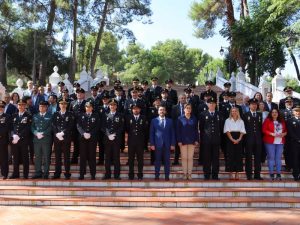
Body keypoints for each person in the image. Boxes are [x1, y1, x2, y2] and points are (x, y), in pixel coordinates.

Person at [199, 97, 222, 180]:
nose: (212, 105)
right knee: (207, 158)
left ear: (215, 104)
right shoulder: (203, 114)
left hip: (216, 139)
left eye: (213, 103)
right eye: (210, 103)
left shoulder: (219, 114)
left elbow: (221, 127)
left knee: (216, 158)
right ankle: (207, 174)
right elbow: (201, 128)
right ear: (207, 104)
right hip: (206, 140)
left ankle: (215, 175)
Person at [150, 105, 176, 181]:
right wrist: (152, 144)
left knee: (167, 161)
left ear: (165, 111)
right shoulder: (154, 120)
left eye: (163, 110)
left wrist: (172, 144)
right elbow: (151, 133)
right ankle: (157, 175)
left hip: (167, 145)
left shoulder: (170, 121)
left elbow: (172, 133)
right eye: (160, 110)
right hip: (157, 144)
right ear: (158, 111)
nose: (162, 111)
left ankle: (167, 176)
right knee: (157, 161)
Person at [101, 99, 125, 180]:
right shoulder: (105, 115)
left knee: (116, 157)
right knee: (107, 157)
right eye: (111, 105)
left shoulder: (120, 115)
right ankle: (107, 174)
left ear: (116, 106)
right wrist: (108, 134)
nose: (112, 106)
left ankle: (116, 175)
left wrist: (114, 134)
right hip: (107, 139)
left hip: (116, 139)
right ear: (109, 106)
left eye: (114, 105)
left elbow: (121, 127)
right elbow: (103, 126)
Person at [52, 100, 75, 179]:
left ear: (67, 105)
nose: (63, 105)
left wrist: (63, 133)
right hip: (57, 138)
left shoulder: (70, 114)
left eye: (65, 104)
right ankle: (57, 173)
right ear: (59, 105)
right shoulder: (55, 114)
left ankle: (67, 173)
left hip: (66, 138)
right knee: (57, 156)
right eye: (61, 104)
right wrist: (57, 133)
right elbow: (53, 125)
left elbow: (71, 125)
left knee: (66, 156)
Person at [77, 102, 100, 180]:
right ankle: (82, 174)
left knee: (92, 157)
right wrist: (83, 133)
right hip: (83, 139)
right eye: (87, 107)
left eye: (90, 107)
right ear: (85, 108)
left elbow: (97, 126)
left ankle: (93, 174)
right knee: (82, 157)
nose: (88, 108)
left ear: (92, 108)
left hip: (92, 139)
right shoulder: (81, 115)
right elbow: (78, 125)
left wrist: (90, 133)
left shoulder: (96, 116)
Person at [262, 109, 287, 180]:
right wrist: (271, 134)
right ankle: (271, 174)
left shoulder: (282, 121)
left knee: (278, 158)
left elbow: (285, 131)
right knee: (271, 157)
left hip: (280, 142)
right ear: (270, 113)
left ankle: (278, 174)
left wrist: (284, 134)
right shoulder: (267, 120)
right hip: (270, 141)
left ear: (278, 113)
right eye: (273, 112)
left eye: (276, 112)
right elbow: (264, 130)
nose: (274, 113)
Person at [10, 100, 32, 179]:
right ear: (17, 106)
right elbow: (11, 127)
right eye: (19, 105)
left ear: (25, 106)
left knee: (25, 157)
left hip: (24, 140)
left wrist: (19, 136)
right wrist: (13, 135)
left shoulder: (28, 115)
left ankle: (25, 174)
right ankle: (15, 173)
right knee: (15, 157)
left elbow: (28, 128)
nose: (21, 107)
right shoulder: (14, 115)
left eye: (23, 105)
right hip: (15, 140)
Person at [125, 103, 148, 180]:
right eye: (134, 108)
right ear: (132, 110)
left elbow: (145, 129)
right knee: (131, 159)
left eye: (137, 108)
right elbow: (127, 129)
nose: (136, 110)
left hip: (140, 142)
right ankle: (131, 174)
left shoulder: (143, 118)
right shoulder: (128, 118)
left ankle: (140, 174)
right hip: (131, 141)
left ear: (140, 110)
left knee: (140, 159)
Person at [176, 103, 199, 180]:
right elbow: (178, 131)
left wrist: (196, 139)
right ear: (184, 109)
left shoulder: (194, 118)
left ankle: (189, 174)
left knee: (190, 158)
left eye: (189, 108)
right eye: (187, 108)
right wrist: (179, 140)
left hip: (192, 141)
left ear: (191, 110)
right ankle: (184, 174)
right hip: (183, 141)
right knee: (184, 158)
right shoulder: (180, 118)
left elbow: (196, 130)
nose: (188, 110)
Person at [31, 101, 53, 179]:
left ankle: (46, 172)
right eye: (40, 106)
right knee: (37, 157)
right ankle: (38, 172)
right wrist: (36, 133)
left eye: (43, 106)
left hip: (46, 139)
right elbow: (32, 127)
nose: (41, 108)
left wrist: (43, 133)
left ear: (46, 107)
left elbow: (51, 127)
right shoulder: (35, 116)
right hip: (37, 140)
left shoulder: (50, 116)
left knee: (46, 157)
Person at [243, 98, 263, 180]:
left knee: (258, 157)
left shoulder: (259, 115)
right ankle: (249, 174)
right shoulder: (245, 115)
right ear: (249, 105)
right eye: (252, 104)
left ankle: (257, 174)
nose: (254, 105)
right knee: (249, 158)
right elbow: (244, 128)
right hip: (248, 139)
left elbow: (260, 127)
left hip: (258, 140)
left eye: (255, 104)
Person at [223, 107, 246, 180]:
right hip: (230, 138)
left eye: (235, 111)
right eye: (232, 111)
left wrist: (239, 139)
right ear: (231, 112)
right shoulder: (227, 120)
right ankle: (230, 173)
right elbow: (227, 131)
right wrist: (232, 139)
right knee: (230, 155)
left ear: (238, 112)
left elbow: (242, 131)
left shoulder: (241, 121)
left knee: (238, 156)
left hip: (239, 138)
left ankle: (237, 173)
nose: (234, 112)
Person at [287, 105, 300, 181]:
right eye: (296, 111)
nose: (298, 112)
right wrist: (298, 139)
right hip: (294, 143)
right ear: (293, 112)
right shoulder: (290, 121)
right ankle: (295, 174)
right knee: (295, 159)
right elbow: (291, 132)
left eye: (299, 111)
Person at [0, 101, 11, 179]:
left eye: (2, 107)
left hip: (3, 140)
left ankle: (4, 174)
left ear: (4, 108)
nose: (0, 108)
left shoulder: (7, 116)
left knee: (3, 158)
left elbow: (7, 127)